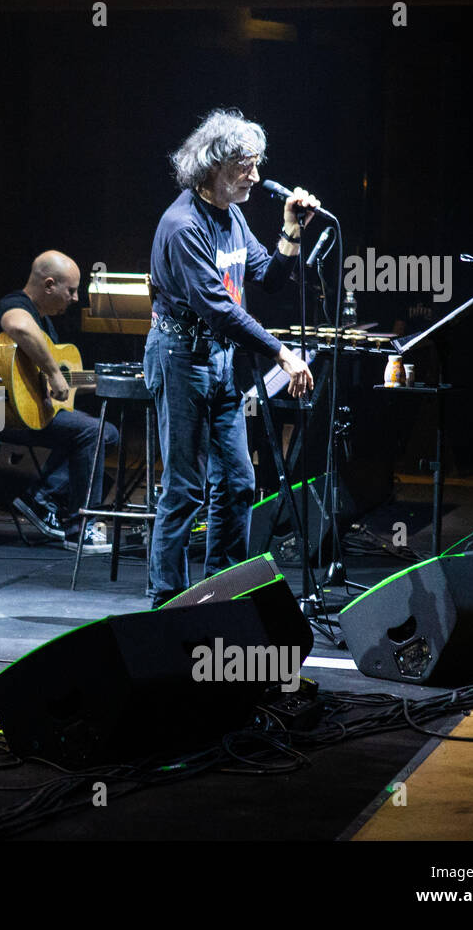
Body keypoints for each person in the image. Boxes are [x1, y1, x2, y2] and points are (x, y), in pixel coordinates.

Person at [144, 108, 317, 607]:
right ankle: (167, 602)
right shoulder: (182, 226)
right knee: (184, 488)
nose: (257, 177)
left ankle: (219, 596)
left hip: (218, 360)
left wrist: (290, 231)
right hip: (179, 356)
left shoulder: (233, 215)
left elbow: (267, 277)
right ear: (215, 165)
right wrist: (281, 354)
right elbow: (219, 309)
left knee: (238, 482)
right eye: (248, 166)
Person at [0, 251, 119, 552]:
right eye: (71, 290)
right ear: (49, 285)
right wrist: (53, 372)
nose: (75, 298)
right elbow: (18, 326)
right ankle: (77, 526)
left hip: (22, 412)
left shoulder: (45, 322)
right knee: (93, 431)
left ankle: (41, 497)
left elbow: (65, 381)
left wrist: (112, 382)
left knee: (107, 432)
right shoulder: (16, 305)